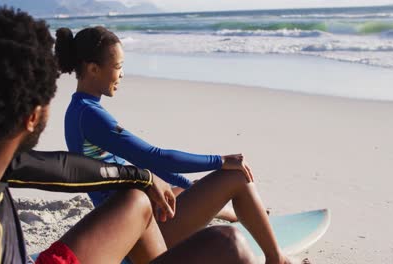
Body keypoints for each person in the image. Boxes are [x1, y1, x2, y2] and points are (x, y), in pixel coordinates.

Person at [0, 8, 258, 264]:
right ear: (32, 117)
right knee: (229, 245)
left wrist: (142, 177)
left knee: (135, 199)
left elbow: (61, 168)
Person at [57, 26, 294, 264]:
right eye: (118, 67)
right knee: (235, 177)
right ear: (93, 69)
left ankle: (229, 212)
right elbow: (155, 157)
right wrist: (220, 160)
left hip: (134, 221)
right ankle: (277, 259)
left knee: (188, 186)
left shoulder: (78, 110)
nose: (121, 75)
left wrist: (190, 186)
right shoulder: (91, 116)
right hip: (137, 236)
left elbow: (148, 165)